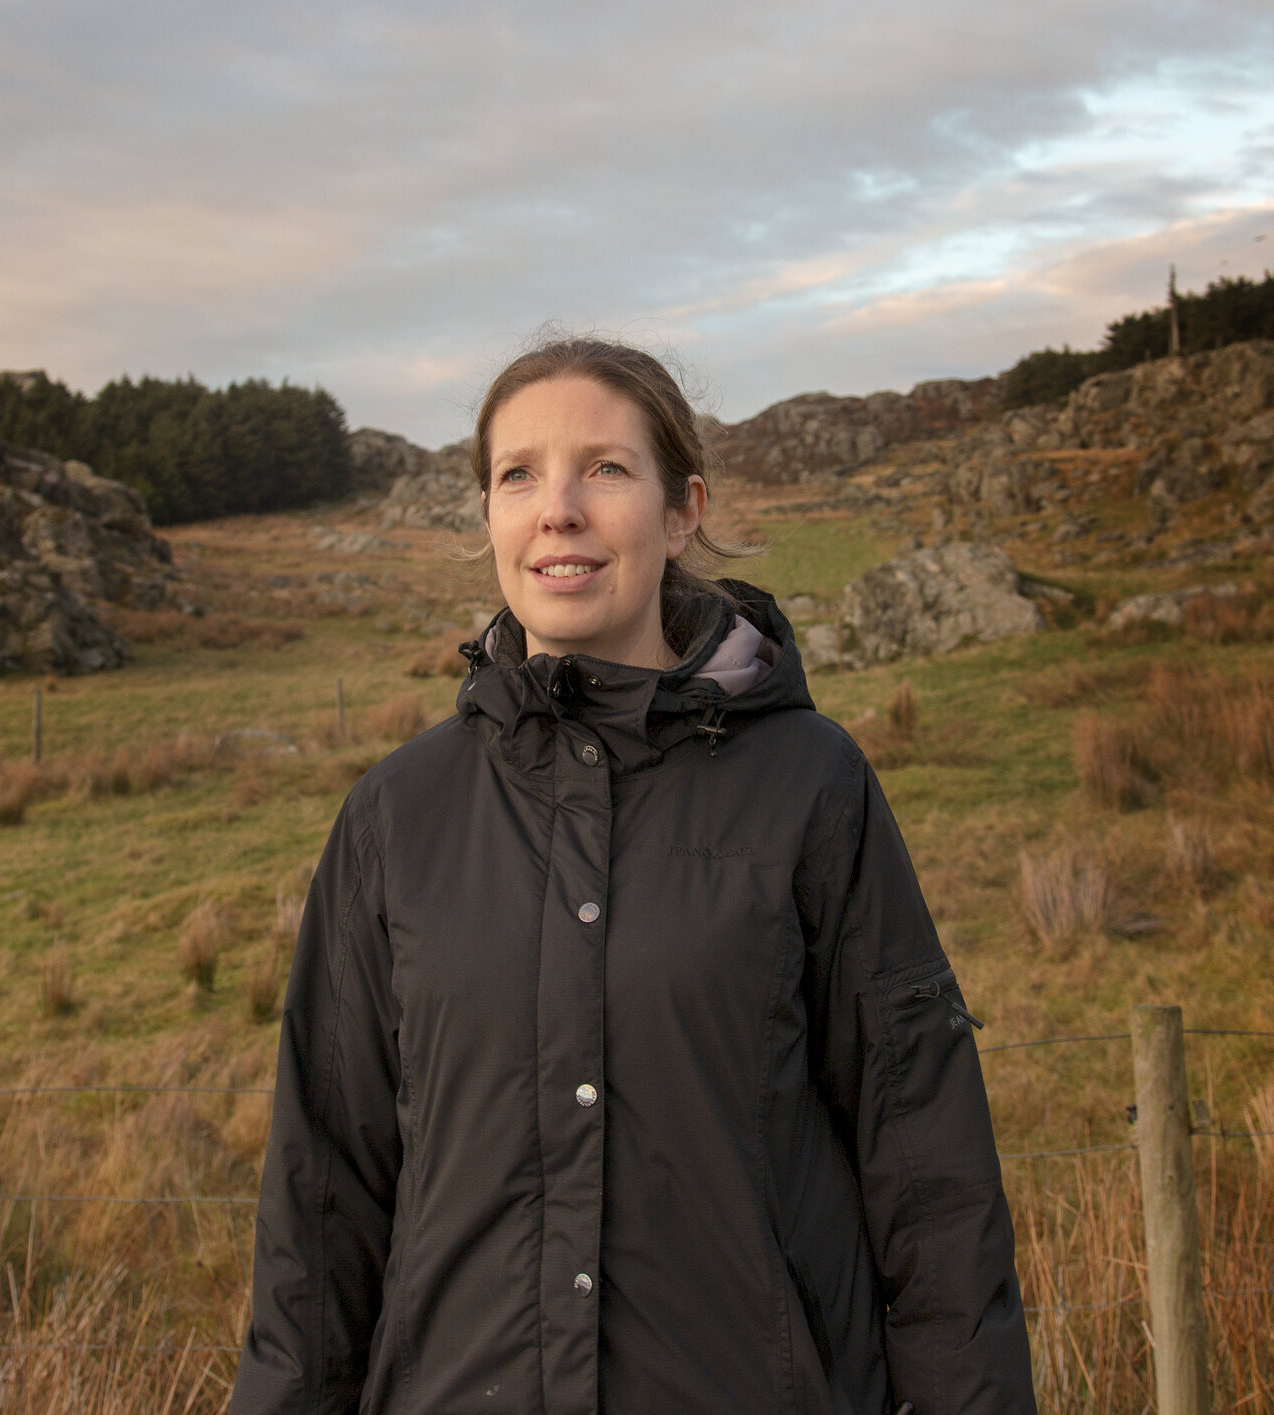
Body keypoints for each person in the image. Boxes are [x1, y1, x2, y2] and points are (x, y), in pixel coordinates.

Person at [229, 338, 1035, 1415]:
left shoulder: (808, 786)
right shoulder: (394, 815)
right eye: (517, 474)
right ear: (488, 517)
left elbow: (927, 1176)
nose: (555, 508)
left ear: (681, 507)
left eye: (603, 469)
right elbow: (319, 1199)